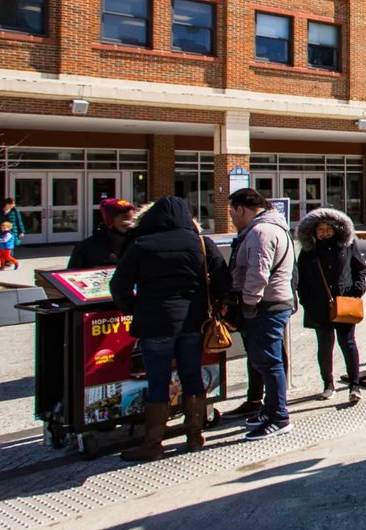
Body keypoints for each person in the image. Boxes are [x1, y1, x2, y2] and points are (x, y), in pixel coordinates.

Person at [110, 196, 230, 461]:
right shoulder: (201, 243)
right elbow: (223, 280)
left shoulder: (141, 244)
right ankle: (194, 436)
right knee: (192, 376)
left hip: (154, 323)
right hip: (193, 322)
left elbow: (119, 286)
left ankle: (153, 443)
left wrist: (133, 308)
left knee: (158, 381)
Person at [228, 187, 296, 440]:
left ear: (241, 209)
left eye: (232, 213)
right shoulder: (272, 227)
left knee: (269, 362)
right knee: (267, 361)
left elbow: (258, 273)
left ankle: (279, 417)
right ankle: (269, 411)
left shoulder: (261, 232)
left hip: (266, 305)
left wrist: (248, 304)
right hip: (271, 303)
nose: (231, 218)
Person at [295, 207, 366, 405]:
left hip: (345, 301)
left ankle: (354, 385)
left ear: (336, 229)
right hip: (318, 304)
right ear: (314, 231)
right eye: (321, 229)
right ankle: (328, 384)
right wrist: (306, 300)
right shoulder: (309, 250)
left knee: (348, 343)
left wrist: (357, 290)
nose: (325, 233)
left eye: (328, 229)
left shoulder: (347, 245)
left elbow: (360, 267)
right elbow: (300, 277)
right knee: (325, 345)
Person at [67, 197, 138, 269]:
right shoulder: (86, 247)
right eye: (125, 218)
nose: (130, 223)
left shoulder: (138, 243)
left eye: (133, 219)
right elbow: (72, 273)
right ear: (110, 222)